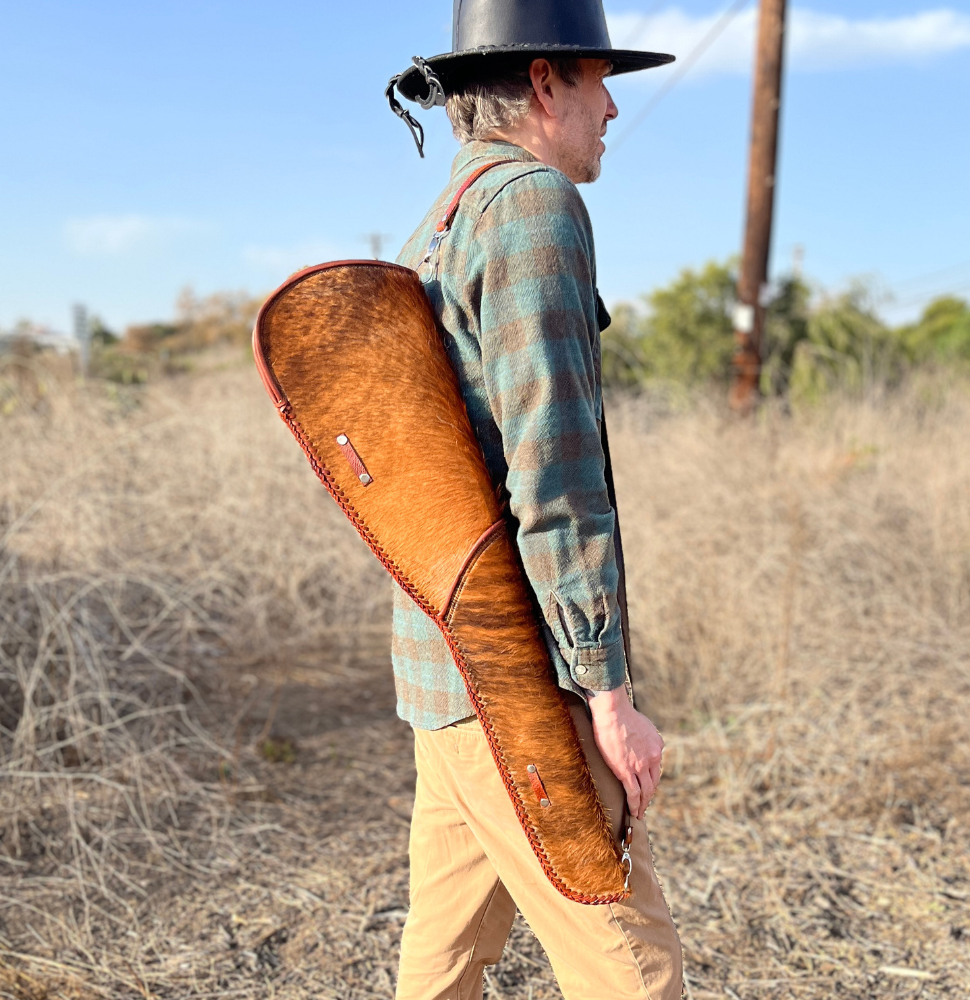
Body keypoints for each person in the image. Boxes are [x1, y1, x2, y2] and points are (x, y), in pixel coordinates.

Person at [386, 2, 683, 997]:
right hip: (518, 680)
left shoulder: (438, 222)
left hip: (443, 666)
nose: (612, 110)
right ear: (546, 82)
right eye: (600, 81)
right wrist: (608, 693)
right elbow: (552, 474)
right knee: (631, 967)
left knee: (443, 961)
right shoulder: (529, 206)